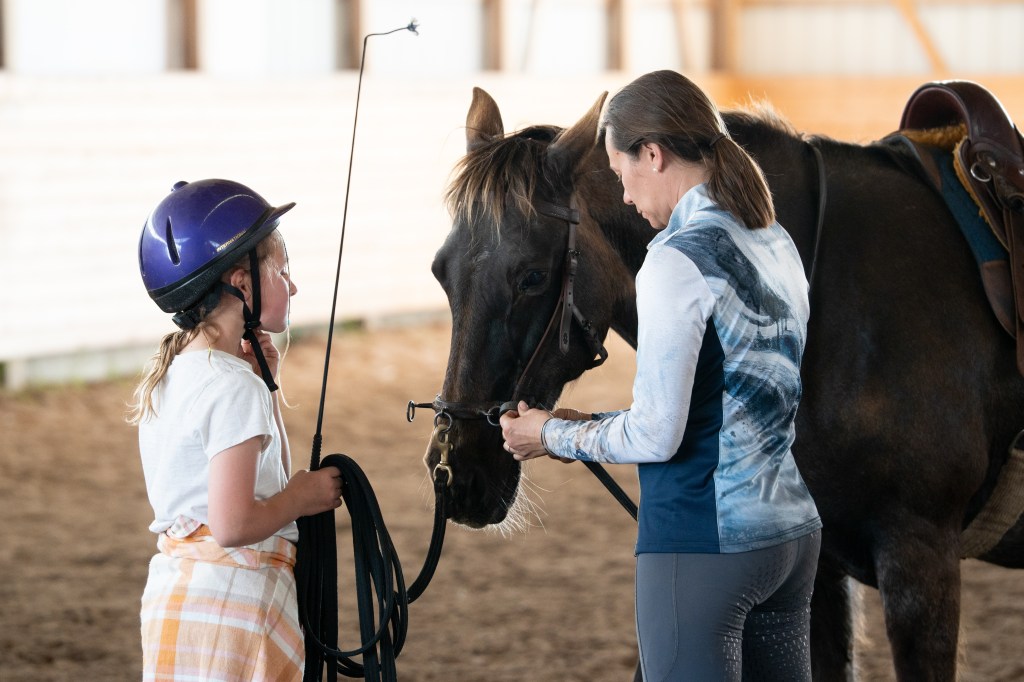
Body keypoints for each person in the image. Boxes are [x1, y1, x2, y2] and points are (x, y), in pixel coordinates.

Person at [500, 70, 822, 681]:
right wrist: (582, 425)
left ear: (653, 154)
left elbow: (656, 435)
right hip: (791, 537)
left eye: (621, 173)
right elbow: (726, 396)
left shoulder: (675, 260)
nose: (624, 197)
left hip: (704, 544)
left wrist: (549, 435)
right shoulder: (773, 239)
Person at [129, 179, 342, 681]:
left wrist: (266, 384)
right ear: (242, 284)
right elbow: (234, 524)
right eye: (282, 271)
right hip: (233, 612)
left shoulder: (176, 374)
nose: (292, 286)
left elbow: (263, 479)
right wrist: (302, 497)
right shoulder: (231, 387)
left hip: (179, 604)